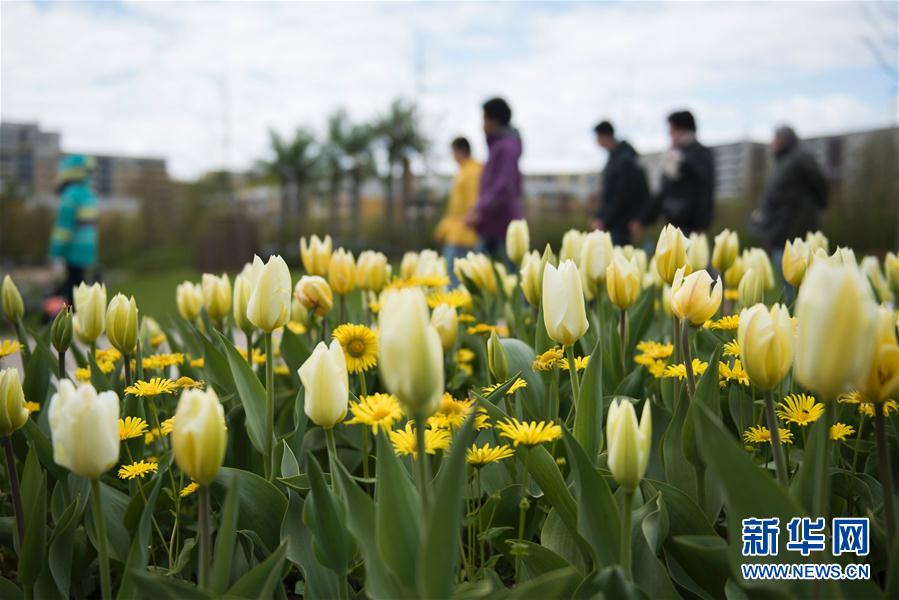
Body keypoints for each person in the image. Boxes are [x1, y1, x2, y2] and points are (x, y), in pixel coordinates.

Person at [748, 125, 828, 261]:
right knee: (785, 270)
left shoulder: (801, 158)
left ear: (785, 139)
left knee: (795, 273)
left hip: (793, 228)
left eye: (776, 138)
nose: (772, 142)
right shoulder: (781, 162)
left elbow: (820, 186)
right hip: (778, 230)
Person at [633, 110, 715, 235]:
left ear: (681, 130)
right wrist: (643, 219)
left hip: (692, 225)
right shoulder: (672, 156)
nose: (669, 133)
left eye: (672, 129)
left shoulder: (700, 154)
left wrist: (701, 224)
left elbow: (705, 190)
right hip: (673, 222)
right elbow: (662, 191)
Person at [466, 97, 523, 261]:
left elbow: (503, 185)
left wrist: (480, 209)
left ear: (495, 120)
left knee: (514, 270)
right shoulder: (499, 146)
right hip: (493, 220)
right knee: (479, 267)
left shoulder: (506, 147)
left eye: (484, 119)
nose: (482, 125)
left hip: (503, 221)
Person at [590, 121, 650, 246]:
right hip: (618, 221)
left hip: (622, 222)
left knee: (620, 256)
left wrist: (603, 218)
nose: (597, 142)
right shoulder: (617, 156)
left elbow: (621, 194)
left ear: (605, 136)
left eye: (597, 138)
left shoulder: (623, 159)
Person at [49, 154, 98, 306]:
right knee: (82, 287)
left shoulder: (70, 197)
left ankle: (73, 321)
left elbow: (63, 230)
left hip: (72, 252)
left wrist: (56, 253)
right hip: (88, 252)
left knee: (72, 289)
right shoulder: (89, 195)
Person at [435, 137, 482, 285]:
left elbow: (473, 205)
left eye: (453, 152)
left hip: (463, 234)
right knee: (454, 274)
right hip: (456, 232)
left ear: (460, 151)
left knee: (454, 276)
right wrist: (442, 231)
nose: (452, 156)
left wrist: (468, 229)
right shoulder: (464, 171)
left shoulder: (471, 172)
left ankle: (455, 306)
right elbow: (455, 208)